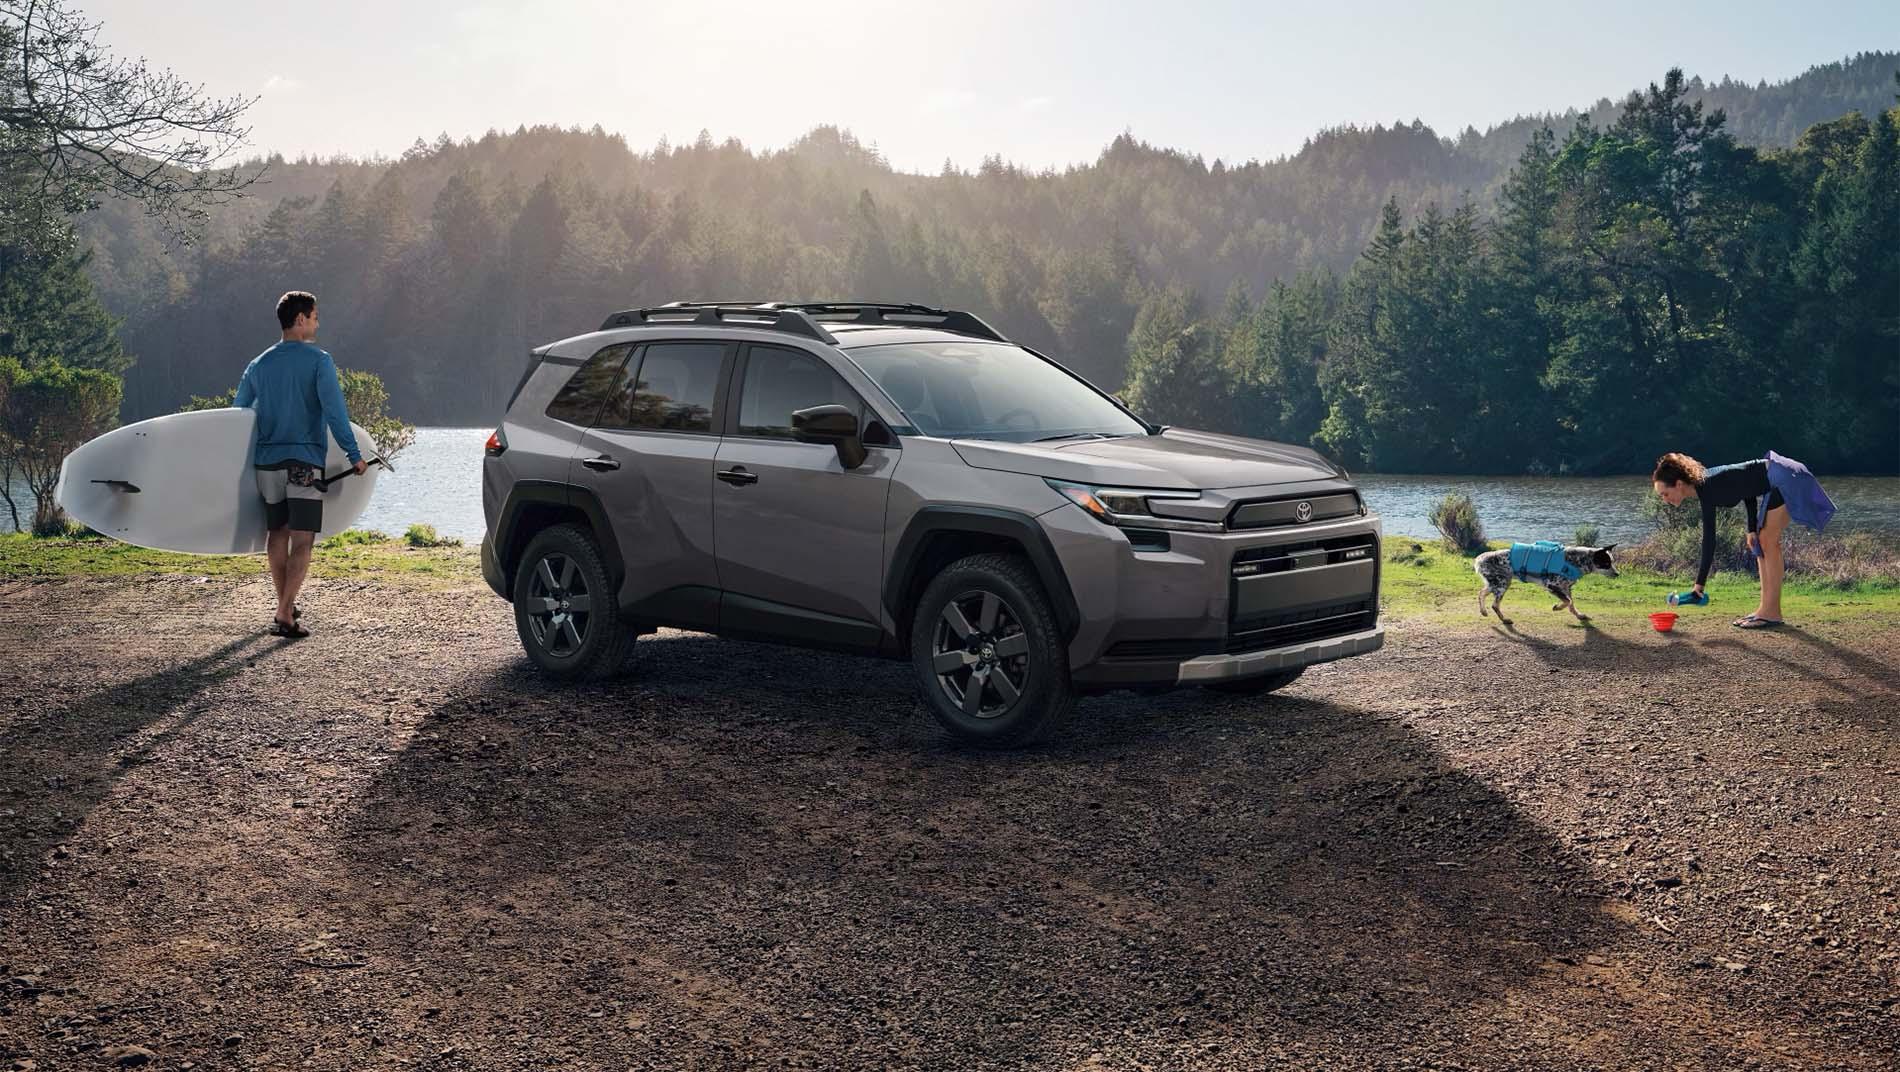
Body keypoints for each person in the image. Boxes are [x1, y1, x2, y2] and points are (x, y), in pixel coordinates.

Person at [233, 291, 364, 638]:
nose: (318, 322)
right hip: (303, 462)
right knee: (303, 538)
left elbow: (238, 414)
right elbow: (336, 413)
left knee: (277, 533)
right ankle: (284, 613)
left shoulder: (258, 364)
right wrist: (354, 455)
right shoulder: (319, 361)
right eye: (315, 315)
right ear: (301, 319)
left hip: (267, 464)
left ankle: (285, 607)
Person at [1650, 451, 1837, 629]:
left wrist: (1698, 586)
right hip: (1774, 481)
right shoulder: (1705, 487)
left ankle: (1771, 613)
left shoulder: (1709, 486)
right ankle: (1765, 610)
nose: (1665, 500)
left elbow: (1709, 539)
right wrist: (1751, 529)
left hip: (1784, 476)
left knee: (1768, 542)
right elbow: (1747, 490)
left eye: (1664, 494)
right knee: (1761, 544)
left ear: (1679, 484)